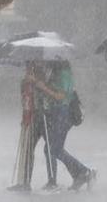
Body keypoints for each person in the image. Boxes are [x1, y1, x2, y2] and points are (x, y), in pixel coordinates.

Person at [42, 60, 97, 191]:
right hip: (58, 114)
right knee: (53, 149)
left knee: (53, 149)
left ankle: (83, 172)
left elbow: (61, 96)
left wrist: (43, 87)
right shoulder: (60, 75)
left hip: (62, 114)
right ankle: (80, 174)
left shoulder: (64, 76)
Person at [8, 61, 53, 192]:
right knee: (27, 149)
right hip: (30, 117)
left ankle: (51, 180)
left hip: (41, 117)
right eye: (27, 69)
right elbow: (25, 100)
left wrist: (36, 84)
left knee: (51, 150)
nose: (27, 71)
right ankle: (25, 181)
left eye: (30, 68)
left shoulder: (42, 78)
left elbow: (45, 97)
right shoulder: (25, 82)